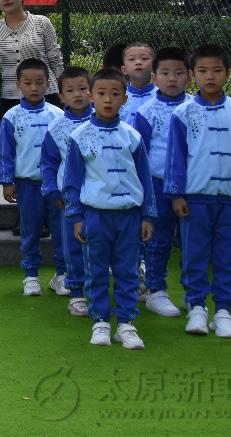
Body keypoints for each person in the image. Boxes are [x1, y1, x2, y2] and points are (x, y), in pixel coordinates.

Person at [166, 44, 231, 340]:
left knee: (228, 255)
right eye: (203, 70)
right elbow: (175, 159)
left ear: (228, 73)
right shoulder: (183, 114)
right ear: (193, 74)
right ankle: (196, 306)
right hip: (196, 197)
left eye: (217, 70)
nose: (210, 76)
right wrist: (176, 194)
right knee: (194, 253)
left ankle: (223, 310)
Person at [64, 68, 155, 350]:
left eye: (115, 94)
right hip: (96, 215)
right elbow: (72, 181)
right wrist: (76, 216)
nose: (107, 99)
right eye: (101, 93)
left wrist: (147, 214)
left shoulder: (132, 136)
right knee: (96, 270)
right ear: (91, 96)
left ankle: (126, 323)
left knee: (128, 271)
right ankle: (101, 321)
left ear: (124, 99)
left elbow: (145, 178)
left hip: (129, 216)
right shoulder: (80, 136)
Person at [0, 59, 65, 297]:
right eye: (28, 83)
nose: (34, 88)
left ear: (48, 84)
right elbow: (5, 153)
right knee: (30, 230)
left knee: (60, 230)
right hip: (27, 185)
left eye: (39, 82)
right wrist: (7, 181)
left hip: (55, 186)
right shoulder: (11, 116)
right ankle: (31, 275)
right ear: (18, 85)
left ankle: (62, 275)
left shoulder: (58, 115)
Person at [132, 46, 191, 318]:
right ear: (154, 77)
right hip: (157, 185)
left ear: (189, 75)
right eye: (165, 73)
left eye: (178, 73)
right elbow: (140, 153)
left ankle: (193, 293)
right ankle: (156, 291)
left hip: (193, 186)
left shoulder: (195, 108)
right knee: (158, 239)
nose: (172, 79)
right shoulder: (146, 112)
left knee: (192, 241)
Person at [40, 67, 95, 316]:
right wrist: (53, 191)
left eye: (83, 89)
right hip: (70, 199)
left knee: (98, 245)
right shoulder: (56, 127)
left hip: (100, 198)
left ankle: (98, 290)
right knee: (72, 245)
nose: (78, 95)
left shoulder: (104, 121)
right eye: (70, 91)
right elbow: (49, 163)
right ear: (61, 97)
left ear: (92, 92)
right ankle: (76, 292)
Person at [118, 42, 156, 122]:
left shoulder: (162, 95)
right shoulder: (117, 96)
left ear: (154, 66)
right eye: (132, 59)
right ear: (124, 70)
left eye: (144, 58)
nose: (138, 62)